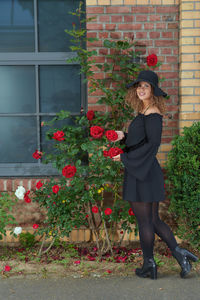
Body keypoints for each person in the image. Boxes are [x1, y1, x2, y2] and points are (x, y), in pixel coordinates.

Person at [112, 70, 198, 279]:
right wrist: (124, 137)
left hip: (143, 172)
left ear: (153, 91)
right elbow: (141, 140)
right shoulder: (145, 111)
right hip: (143, 171)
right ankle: (180, 254)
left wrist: (124, 158)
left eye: (146, 86)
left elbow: (153, 145)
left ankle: (150, 265)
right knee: (153, 220)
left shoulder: (153, 114)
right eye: (139, 86)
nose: (141, 89)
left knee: (146, 223)